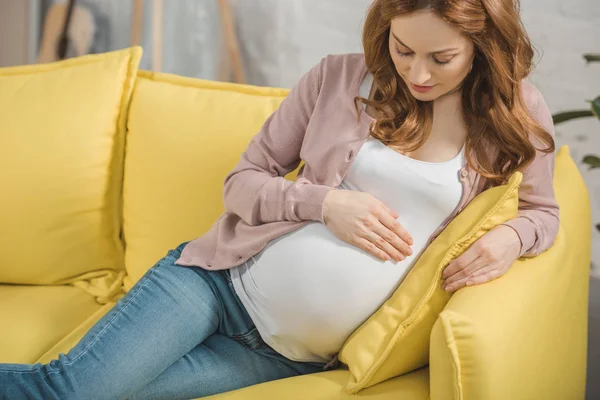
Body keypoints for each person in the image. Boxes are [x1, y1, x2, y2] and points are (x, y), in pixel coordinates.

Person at [0, 0, 559, 398]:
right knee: (66, 391)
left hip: (278, 355)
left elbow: (542, 213)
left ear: (481, 45)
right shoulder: (338, 80)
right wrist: (324, 204)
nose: (416, 72)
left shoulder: (514, 112)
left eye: (442, 58)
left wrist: (512, 237)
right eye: (403, 48)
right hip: (216, 285)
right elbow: (241, 183)